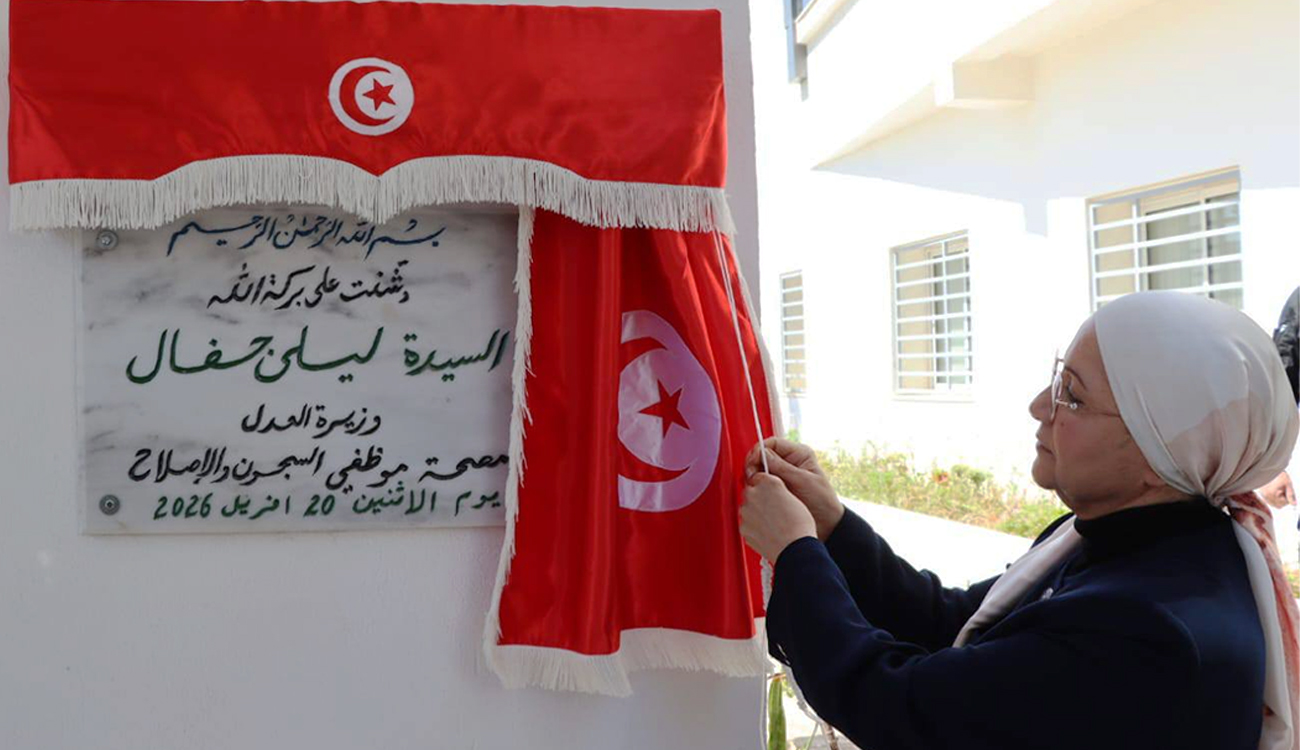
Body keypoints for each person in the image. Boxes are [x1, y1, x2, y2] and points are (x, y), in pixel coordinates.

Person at [740, 291, 1300, 750]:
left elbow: (897, 706)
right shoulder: (1129, 541)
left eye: (1072, 397)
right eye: (1058, 378)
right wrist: (832, 525)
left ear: (1158, 456)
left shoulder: (1149, 630)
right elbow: (949, 621)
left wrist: (796, 554)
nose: (1040, 405)